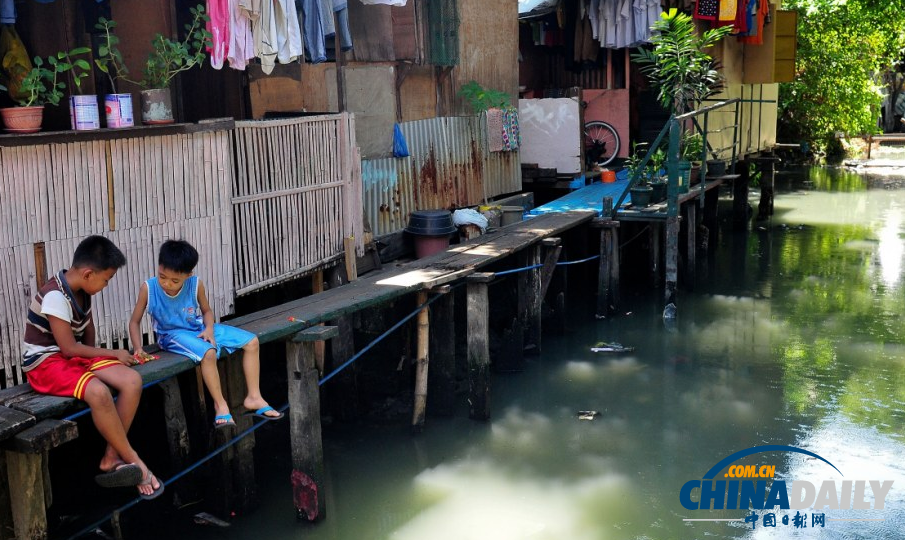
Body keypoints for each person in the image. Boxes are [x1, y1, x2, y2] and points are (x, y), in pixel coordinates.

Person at [22, 236, 163, 499]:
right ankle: (134, 458)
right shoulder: (55, 295)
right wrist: (112, 354)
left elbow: (88, 333)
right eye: (106, 280)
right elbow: (68, 348)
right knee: (99, 392)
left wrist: (100, 364)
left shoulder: (82, 291)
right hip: (44, 363)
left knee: (132, 381)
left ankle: (111, 456)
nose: (106, 285)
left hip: (70, 358)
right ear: (88, 274)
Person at [129, 239, 282, 429]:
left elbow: (207, 311)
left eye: (175, 281)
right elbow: (134, 322)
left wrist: (209, 329)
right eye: (162, 277)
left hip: (198, 327)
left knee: (252, 341)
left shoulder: (195, 285)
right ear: (158, 267)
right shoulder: (149, 288)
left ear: (188, 275)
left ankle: (254, 397)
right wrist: (138, 348)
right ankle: (220, 405)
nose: (167, 284)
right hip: (171, 335)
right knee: (209, 352)